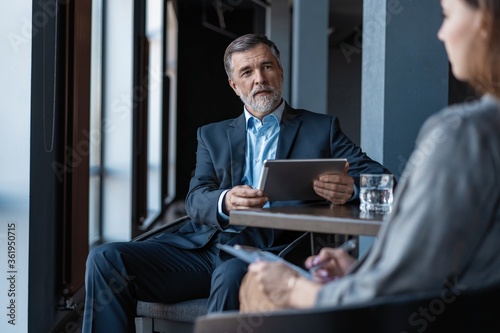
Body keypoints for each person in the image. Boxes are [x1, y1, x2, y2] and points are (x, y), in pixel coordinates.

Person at [82, 33, 392, 332]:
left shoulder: (320, 129)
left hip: (274, 249)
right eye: (247, 71)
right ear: (234, 85)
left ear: (280, 72)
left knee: (231, 273)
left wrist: (352, 188)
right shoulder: (211, 135)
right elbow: (196, 199)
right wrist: (225, 200)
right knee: (105, 258)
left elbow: (384, 181)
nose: (259, 79)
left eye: (266, 67)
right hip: (204, 249)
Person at [240, 0, 500, 313]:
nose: (441, 33)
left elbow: (401, 286)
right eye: (246, 72)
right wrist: (359, 270)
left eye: (446, 15)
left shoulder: (462, 132)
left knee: (256, 285)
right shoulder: (476, 133)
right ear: (233, 84)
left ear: (484, 22)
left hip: (393, 315)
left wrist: (296, 289)